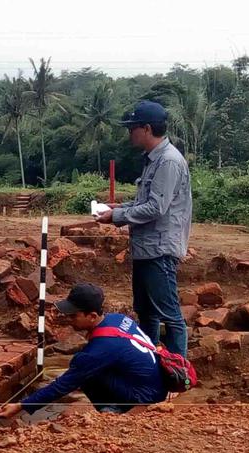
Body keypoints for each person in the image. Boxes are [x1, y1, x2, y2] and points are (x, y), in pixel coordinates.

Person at [94, 100, 192, 358]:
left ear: (147, 129)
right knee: (147, 313)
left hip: (159, 250)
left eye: (132, 128)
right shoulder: (153, 160)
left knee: (169, 315)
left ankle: (178, 373)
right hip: (147, 249)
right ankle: (150, 367)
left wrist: (117, 215)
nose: (130, 133)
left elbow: (156, 209)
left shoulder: (168, 162)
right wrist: (117, 208)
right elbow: (145, 203)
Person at [0, 283, 168, 420]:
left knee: (83, 372)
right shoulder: (118, 319)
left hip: (146, 396)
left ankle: (116, 413)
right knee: (84, 366)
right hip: (155, 384)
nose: (68, 319)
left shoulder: (100, 350)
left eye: (73, 315)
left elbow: (62, 385)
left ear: (92, 316)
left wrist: (22, 406)